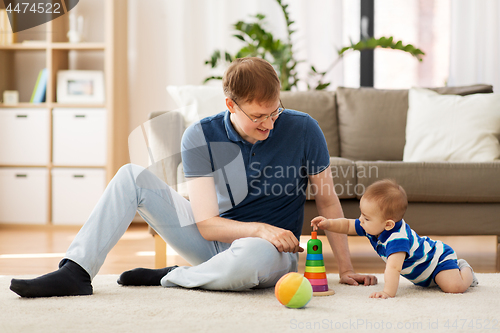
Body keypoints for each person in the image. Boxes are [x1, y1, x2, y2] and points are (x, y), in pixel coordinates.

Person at [10, 57, 376, 298]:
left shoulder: (303, 129)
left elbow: (327, 201)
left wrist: (345, 268)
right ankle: (75, 271)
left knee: (248, 260)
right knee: (130, 176)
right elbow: (207, 226)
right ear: (231, 105)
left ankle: (170, 276)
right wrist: (257, 227)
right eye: (258, 116)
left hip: (270, 252)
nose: (268, 123)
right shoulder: (200, 135)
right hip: (214, 241)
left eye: (274, 111)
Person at [311, 179, 478, 299]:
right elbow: (347, 226)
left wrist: (387, 292)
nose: (361, 220)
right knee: (441, 285)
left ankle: (464, 269)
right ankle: (449, 274)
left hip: (437, 260)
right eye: (361, 214)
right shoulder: (372, 226)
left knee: (455, 288)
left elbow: (393, 268)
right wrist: (328, 223)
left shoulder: (398, 240)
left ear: (388, 224)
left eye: (366, 218)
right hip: (423, 273)